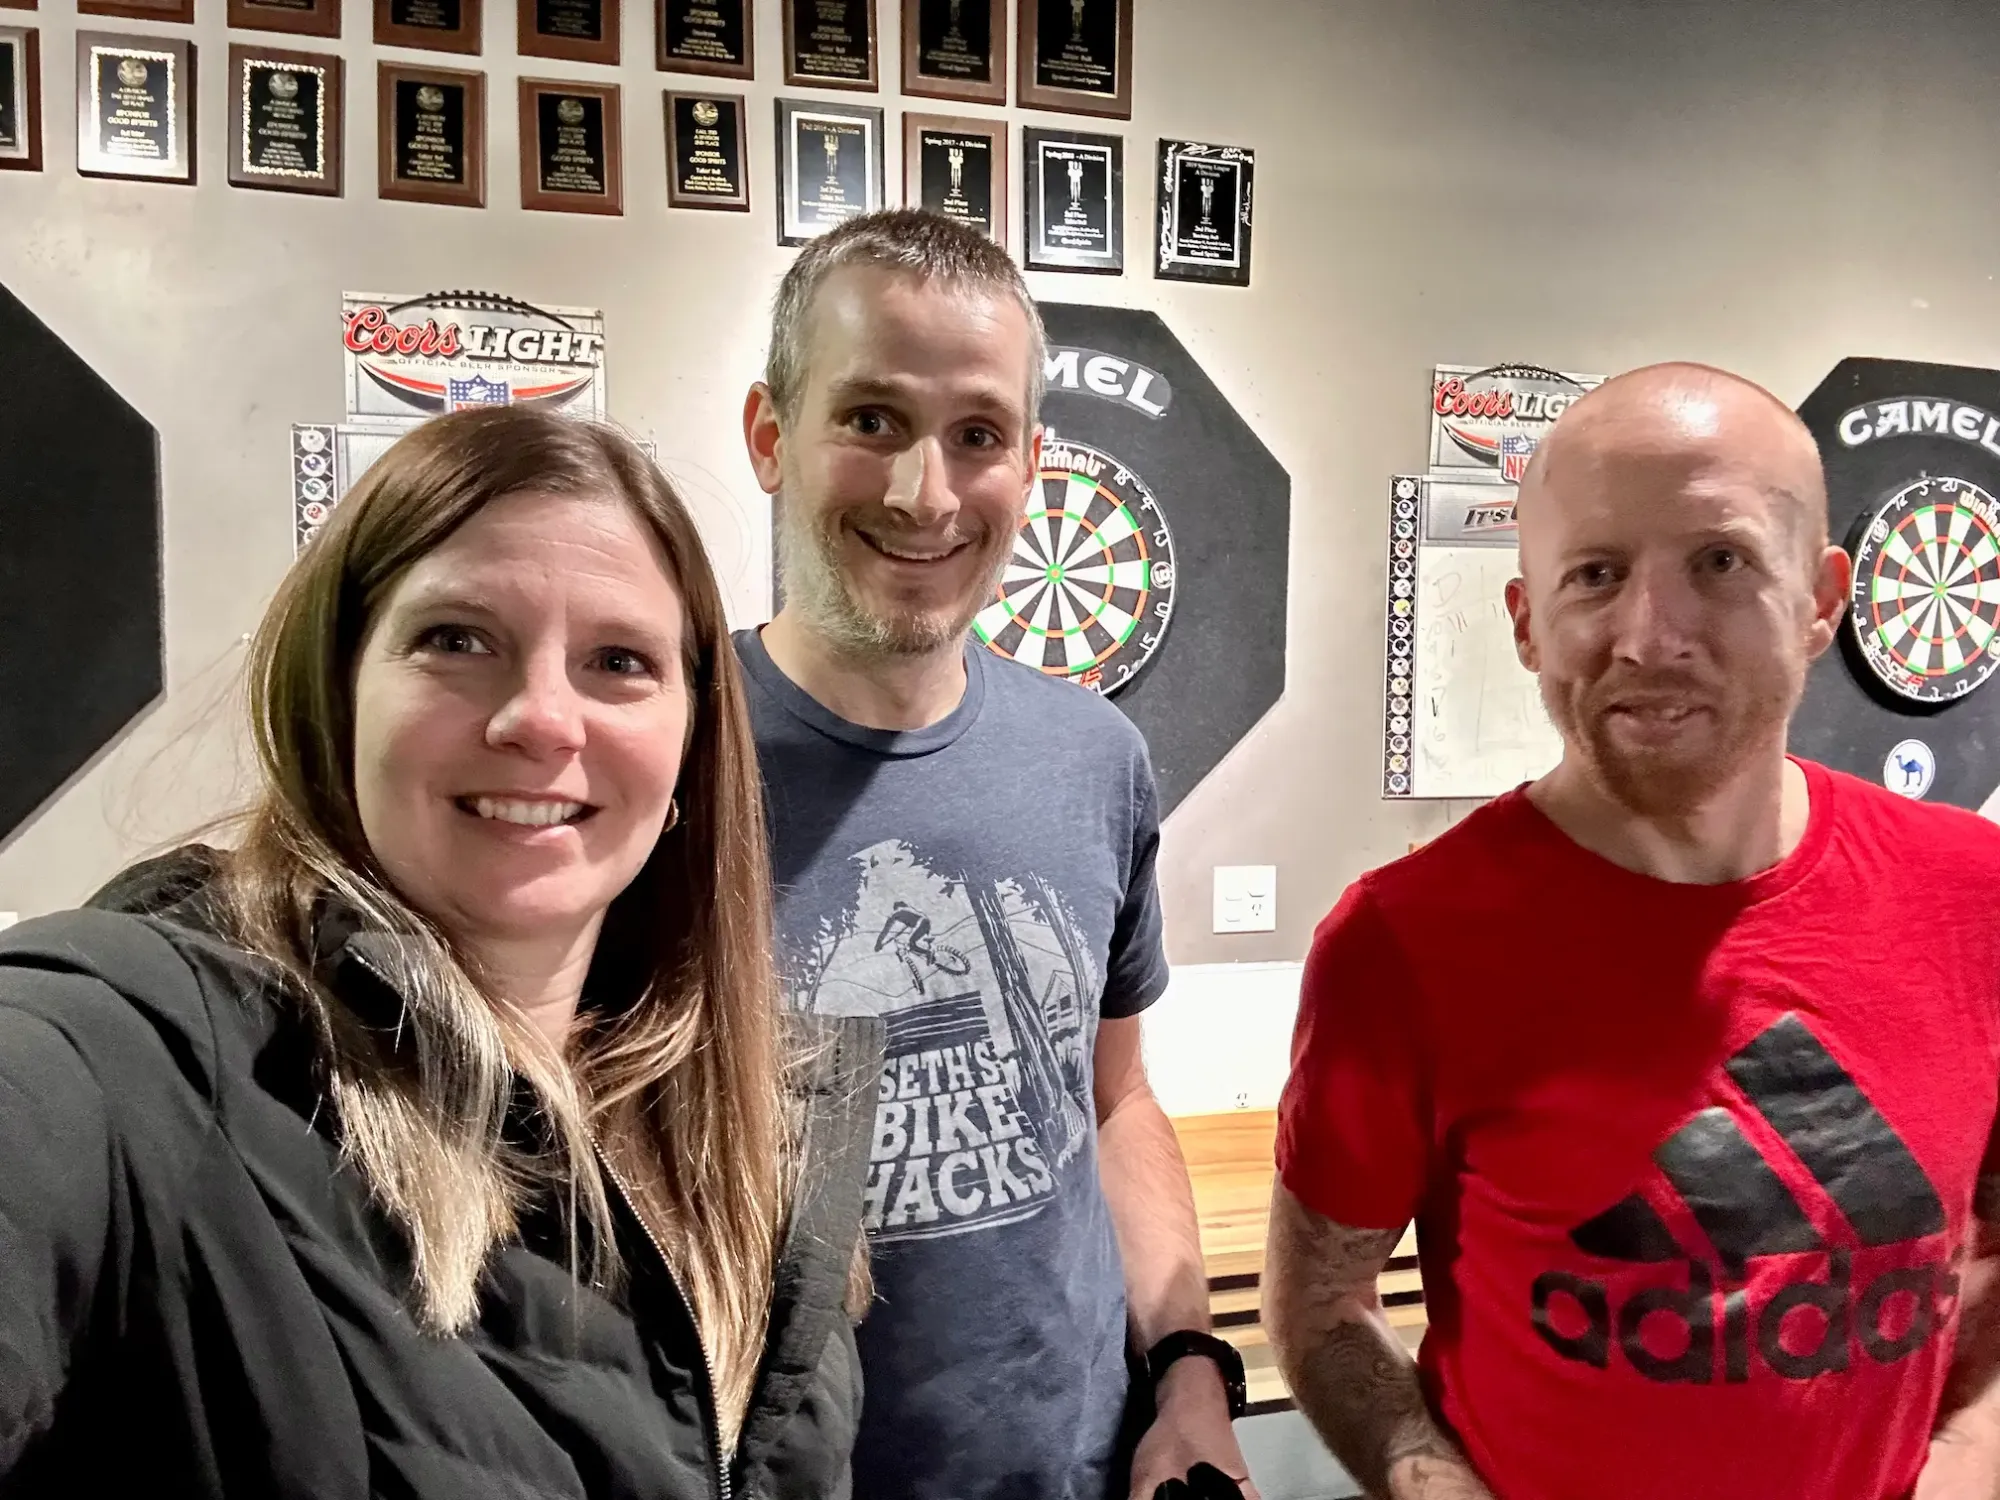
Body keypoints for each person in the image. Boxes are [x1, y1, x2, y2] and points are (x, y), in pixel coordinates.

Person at [0, 406, 881, 1500]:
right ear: (339, 690)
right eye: (457, 639)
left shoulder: (753, 1122)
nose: (542, 719)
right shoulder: (140, 1043)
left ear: (692, 745)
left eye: (618, 661)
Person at [1262, 362, 2000, 1500]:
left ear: (1820, 600)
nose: (1649, 637)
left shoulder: (1973, 897)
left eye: (1719, 562)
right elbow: (1321, 1306)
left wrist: (1960, 1462)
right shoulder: (1398, 945)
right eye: (1595, 575)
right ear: (1526, 623)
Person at [735, 207, 1256, 1500]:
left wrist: (1189, 1378)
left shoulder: (1094, 759)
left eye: (976, 436)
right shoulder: (650, 763)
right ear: (769, 437)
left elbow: (1114, 1097)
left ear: (1032, 463)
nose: (927, 493)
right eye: (869, 420)